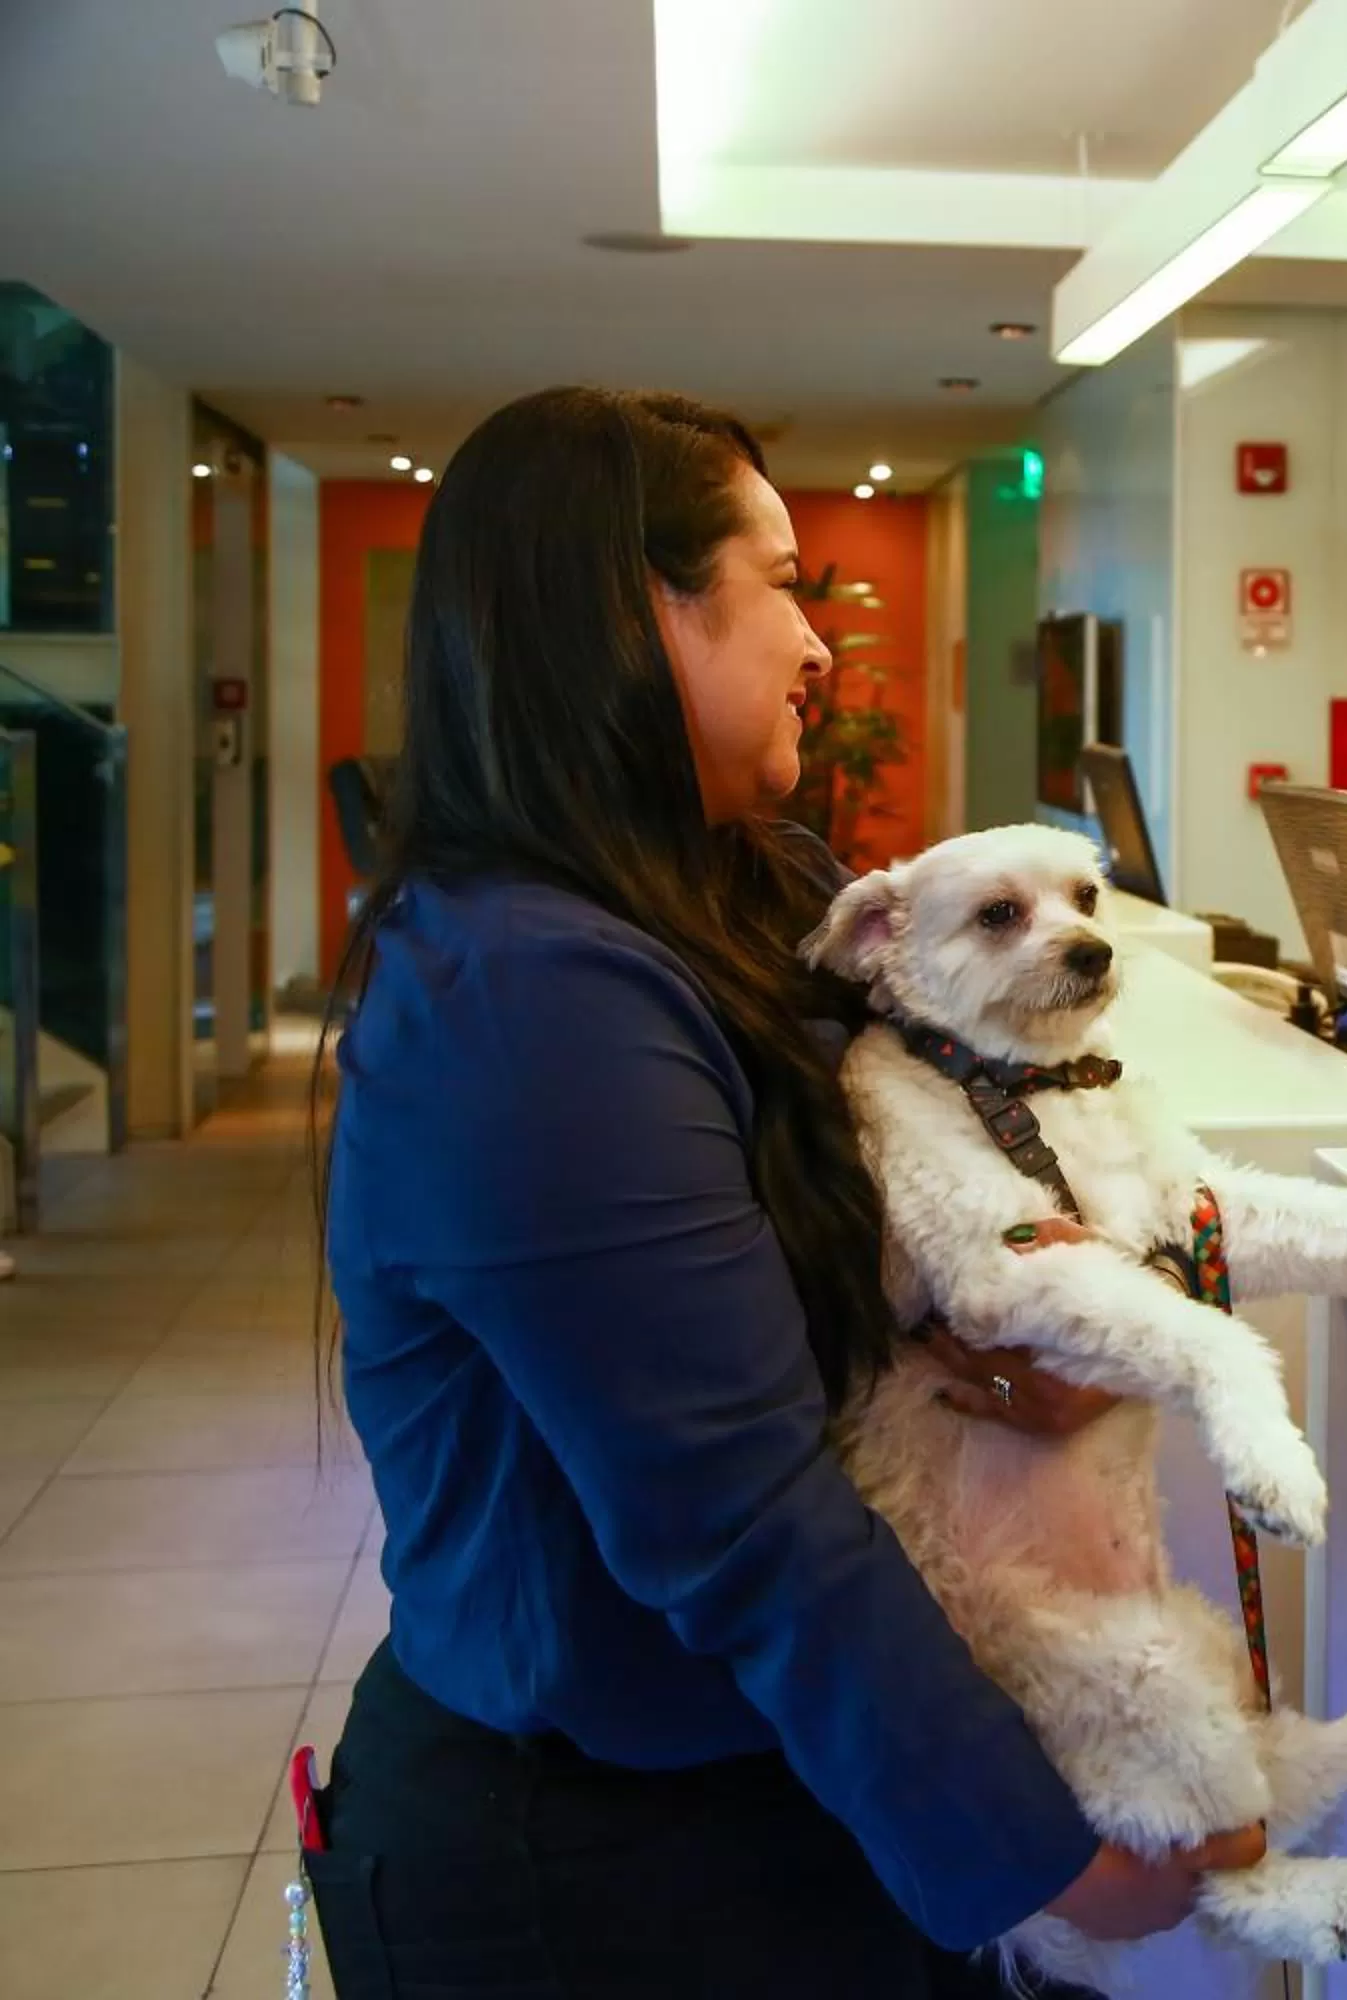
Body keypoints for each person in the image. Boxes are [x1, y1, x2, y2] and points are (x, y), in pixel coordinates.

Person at [312, 388, 1257, 1996]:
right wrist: (1032, 1846)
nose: (819, 646)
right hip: (603, 1859)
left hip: (787, 1779)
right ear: (637, 613)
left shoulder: (759, 889)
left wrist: (1067, 1337)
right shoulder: (527, 994)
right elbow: (732, 1501)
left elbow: (965, 1169)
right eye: (782, 584)